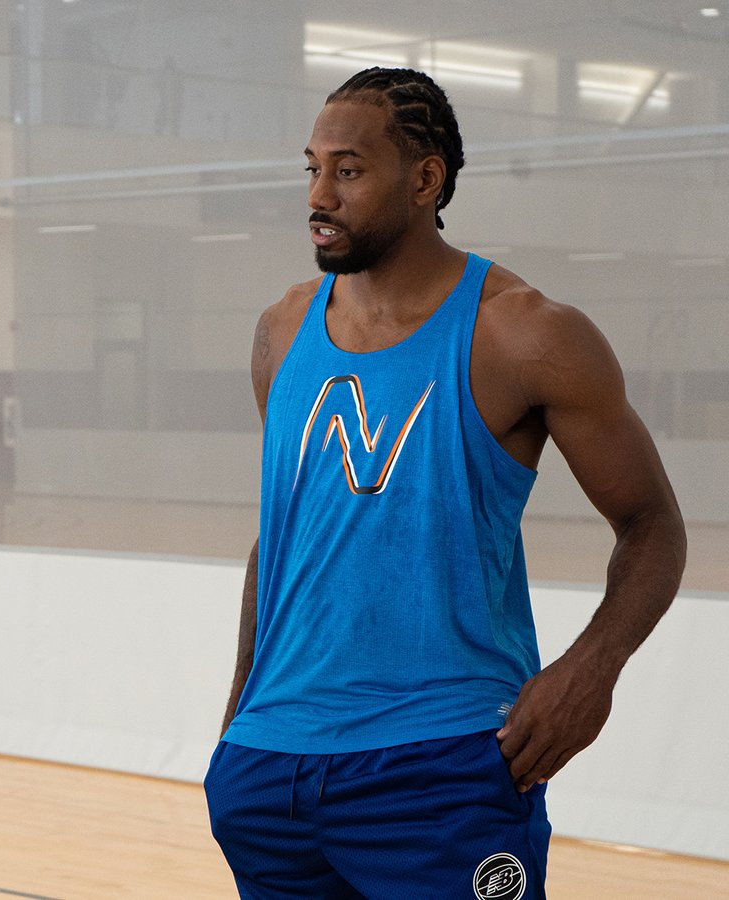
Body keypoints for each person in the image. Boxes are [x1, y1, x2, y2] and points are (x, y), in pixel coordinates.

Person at [204, 67, 685, 898]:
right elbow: (283, 532)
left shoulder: (526, 334)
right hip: (269, 775)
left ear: (426, 179)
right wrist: (238, 716)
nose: (319, 194)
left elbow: (653, 526)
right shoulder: (281, 331)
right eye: (311, 167)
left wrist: (590, 671)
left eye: (348, 170)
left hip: (440, 770)